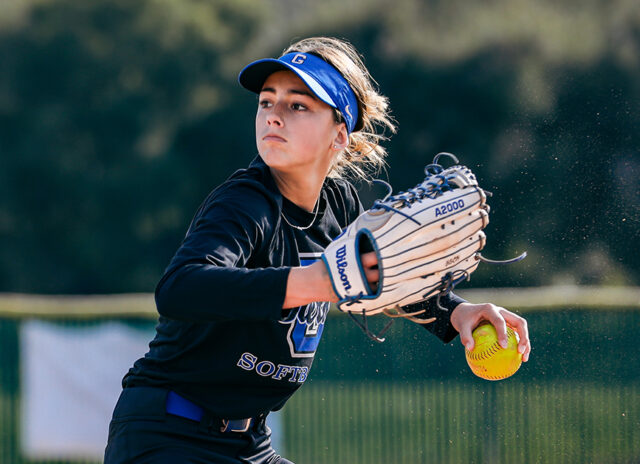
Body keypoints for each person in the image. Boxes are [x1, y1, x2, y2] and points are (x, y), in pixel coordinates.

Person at [104, 36, 531, 464]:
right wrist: (313, 282)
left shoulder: (340, 205)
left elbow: (386, 277)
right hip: (169, 435)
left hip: (248, 445)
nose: (273, 116)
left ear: (340, 134)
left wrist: (458, 313)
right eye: (267, 102)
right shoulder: (245, 202)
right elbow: (179, 289)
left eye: (298, 106)